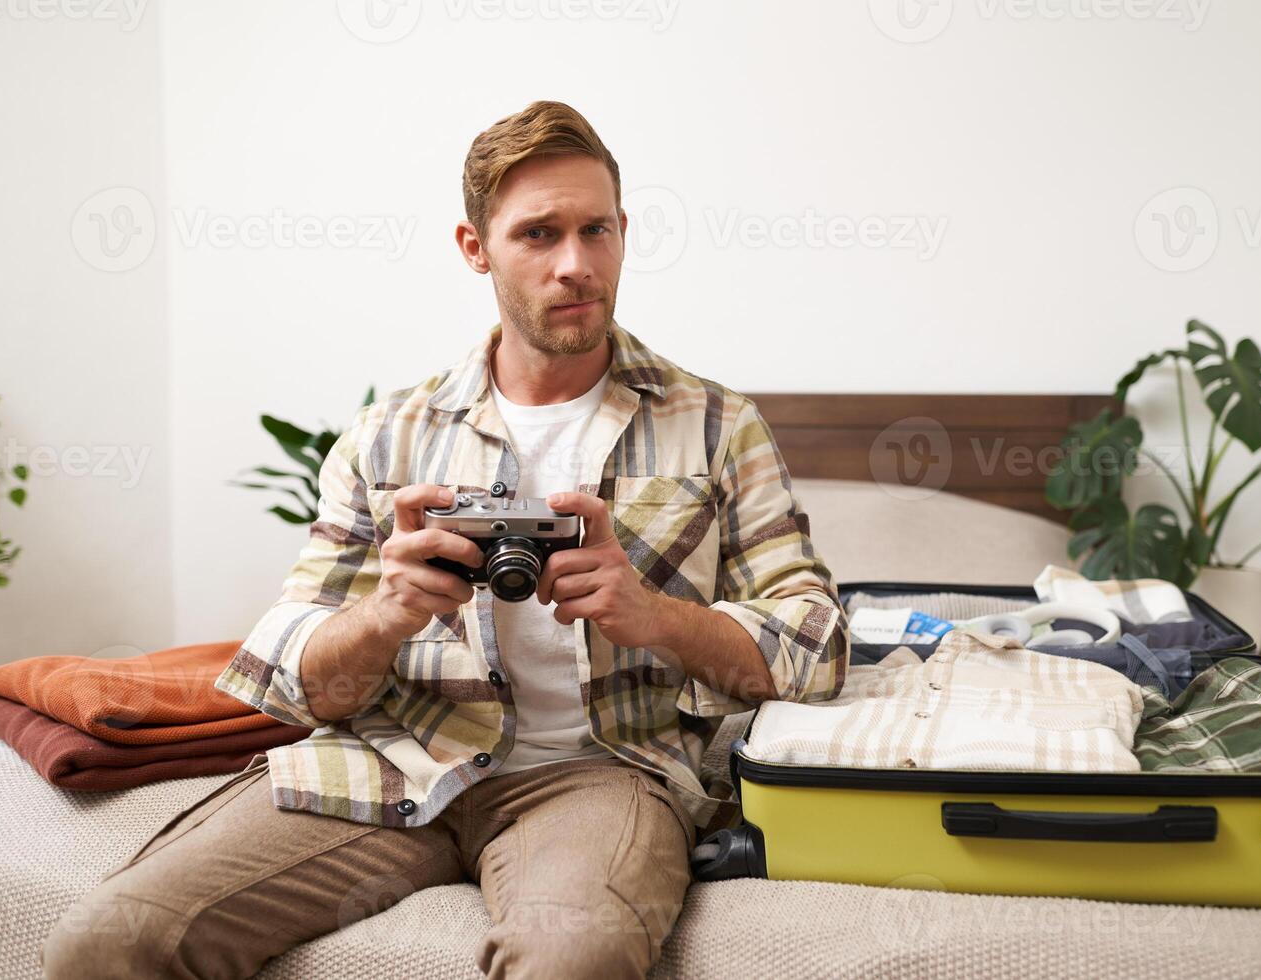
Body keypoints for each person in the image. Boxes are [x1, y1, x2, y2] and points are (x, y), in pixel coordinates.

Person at [42, 99, 849, 980]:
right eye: (538, 234)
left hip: (601, 772)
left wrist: (654, 616)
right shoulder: (389, 437)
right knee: (109, 937)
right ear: (476, 248)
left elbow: (820, 645)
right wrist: (386, 613)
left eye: (597, 230)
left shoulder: (717, 427)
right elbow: (285, 674)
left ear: (624, 232)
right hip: (393, 758)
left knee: (573, 957)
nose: (576, 264)